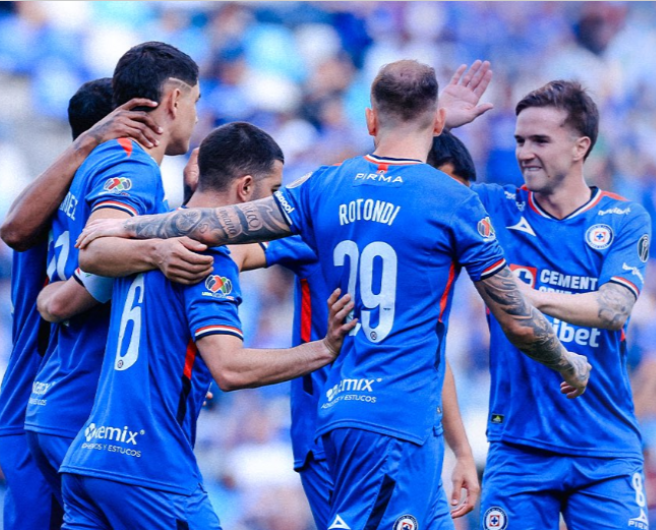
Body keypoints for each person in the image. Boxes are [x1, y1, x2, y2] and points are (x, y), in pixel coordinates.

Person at [76, 60, 591, 530]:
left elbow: (222, 223)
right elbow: (519, 321)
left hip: (354, 414)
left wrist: (129, 228)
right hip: (392, 423)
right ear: (436, 125)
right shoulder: (455, 203)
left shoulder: (324, 187)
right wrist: (568, 364)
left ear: (370, 121)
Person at [59, 122, 356, 530]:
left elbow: (88, 262)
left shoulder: (145, 244)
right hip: (151, 466)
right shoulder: (205, 258)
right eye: (272, 193)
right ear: (246, 189)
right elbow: (229, 368)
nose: (274, 207)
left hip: (88, 457)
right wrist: (324, 349)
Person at [221, 128, 484, 527]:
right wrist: (213, 339)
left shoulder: (428, 260)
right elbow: (233, 251)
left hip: (411, 434)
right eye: (443, 193)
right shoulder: (329, 226)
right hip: (337, 434)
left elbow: (431, 352)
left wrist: (461, 451)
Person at [23, 41, 213, 502]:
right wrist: (161, 252)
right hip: (89, 405)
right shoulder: (130, 163)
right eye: (195, 102)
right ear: (174, 101)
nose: (195, 116)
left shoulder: (93, 163)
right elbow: (99, 247)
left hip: (62, 395)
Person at [466, 80, 653, 530]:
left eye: (540, 141)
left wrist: (525, 295)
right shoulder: (496, 207)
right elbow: (419, 184)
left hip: (603, 448)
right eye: (519, 140)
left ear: (580, 147)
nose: (524, 152)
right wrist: (441, 124)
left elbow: (613, 309)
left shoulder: (624, 219)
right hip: (518, 448)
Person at [0, 78, 166, 529]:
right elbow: (12, 231)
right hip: (45, 393)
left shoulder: (75, 193)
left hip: (64, 399)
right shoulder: (64, 198)